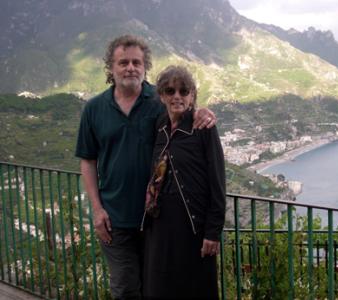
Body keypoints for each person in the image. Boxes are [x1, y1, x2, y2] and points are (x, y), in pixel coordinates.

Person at [75, 35, 216, 299]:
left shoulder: (159, 99)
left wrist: (202, 111)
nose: (130, 67)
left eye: (136, 62)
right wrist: (96, 210)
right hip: (115, 217)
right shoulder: (94, 109)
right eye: (123, 62)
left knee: (157, 288)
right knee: (126, 288)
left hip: (156, 221)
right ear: (111, 67)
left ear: (145, 66)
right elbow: (88, 161)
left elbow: (184, 111)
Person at [142, 65, 226, 299]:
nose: (177, 96)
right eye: (170, 91)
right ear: (162, 96)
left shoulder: (203, 128)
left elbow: (217, 181)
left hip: (192, 226)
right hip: (159, 224)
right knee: (160, 286)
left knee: (193, 288)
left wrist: (213, 231)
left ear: (192, 95)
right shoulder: (159, 127)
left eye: (183, 90)